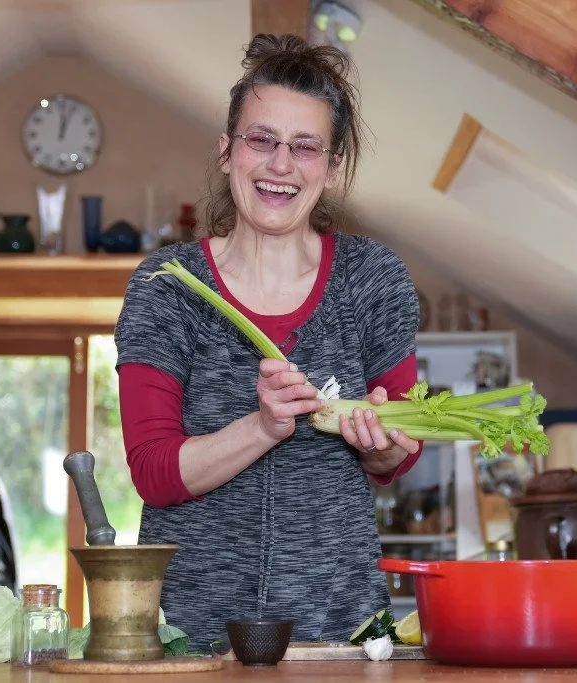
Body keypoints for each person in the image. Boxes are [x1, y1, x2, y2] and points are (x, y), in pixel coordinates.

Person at [114, 33, 422, 651]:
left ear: (332, 168)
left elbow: (399, 457)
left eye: (305, 147)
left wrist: (383, 445)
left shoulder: (372, 279)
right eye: (262, 140)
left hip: (342, 632)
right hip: (193, 636)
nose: (281, 165)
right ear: (227, 151)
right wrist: (262, 427)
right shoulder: (167, 286)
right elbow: (153, 472)